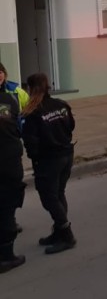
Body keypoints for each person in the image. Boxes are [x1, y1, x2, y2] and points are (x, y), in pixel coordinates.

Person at [21, 73, 77, 255]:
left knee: (49, 198)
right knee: (59, 193)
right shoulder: (61, 105)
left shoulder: (32, 112)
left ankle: (67, 235)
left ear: (30, 89)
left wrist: (35, 157)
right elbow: (72, 126)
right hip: (66, 154)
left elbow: (30, 141)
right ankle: (59, 231)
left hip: (48, 160)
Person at [0, 92, 26, 273]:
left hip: (9, 158)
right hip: (8, 162)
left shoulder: (11, 98)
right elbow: (18, 126)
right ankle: (6, 257)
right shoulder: (9, 100)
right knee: (7, 208)